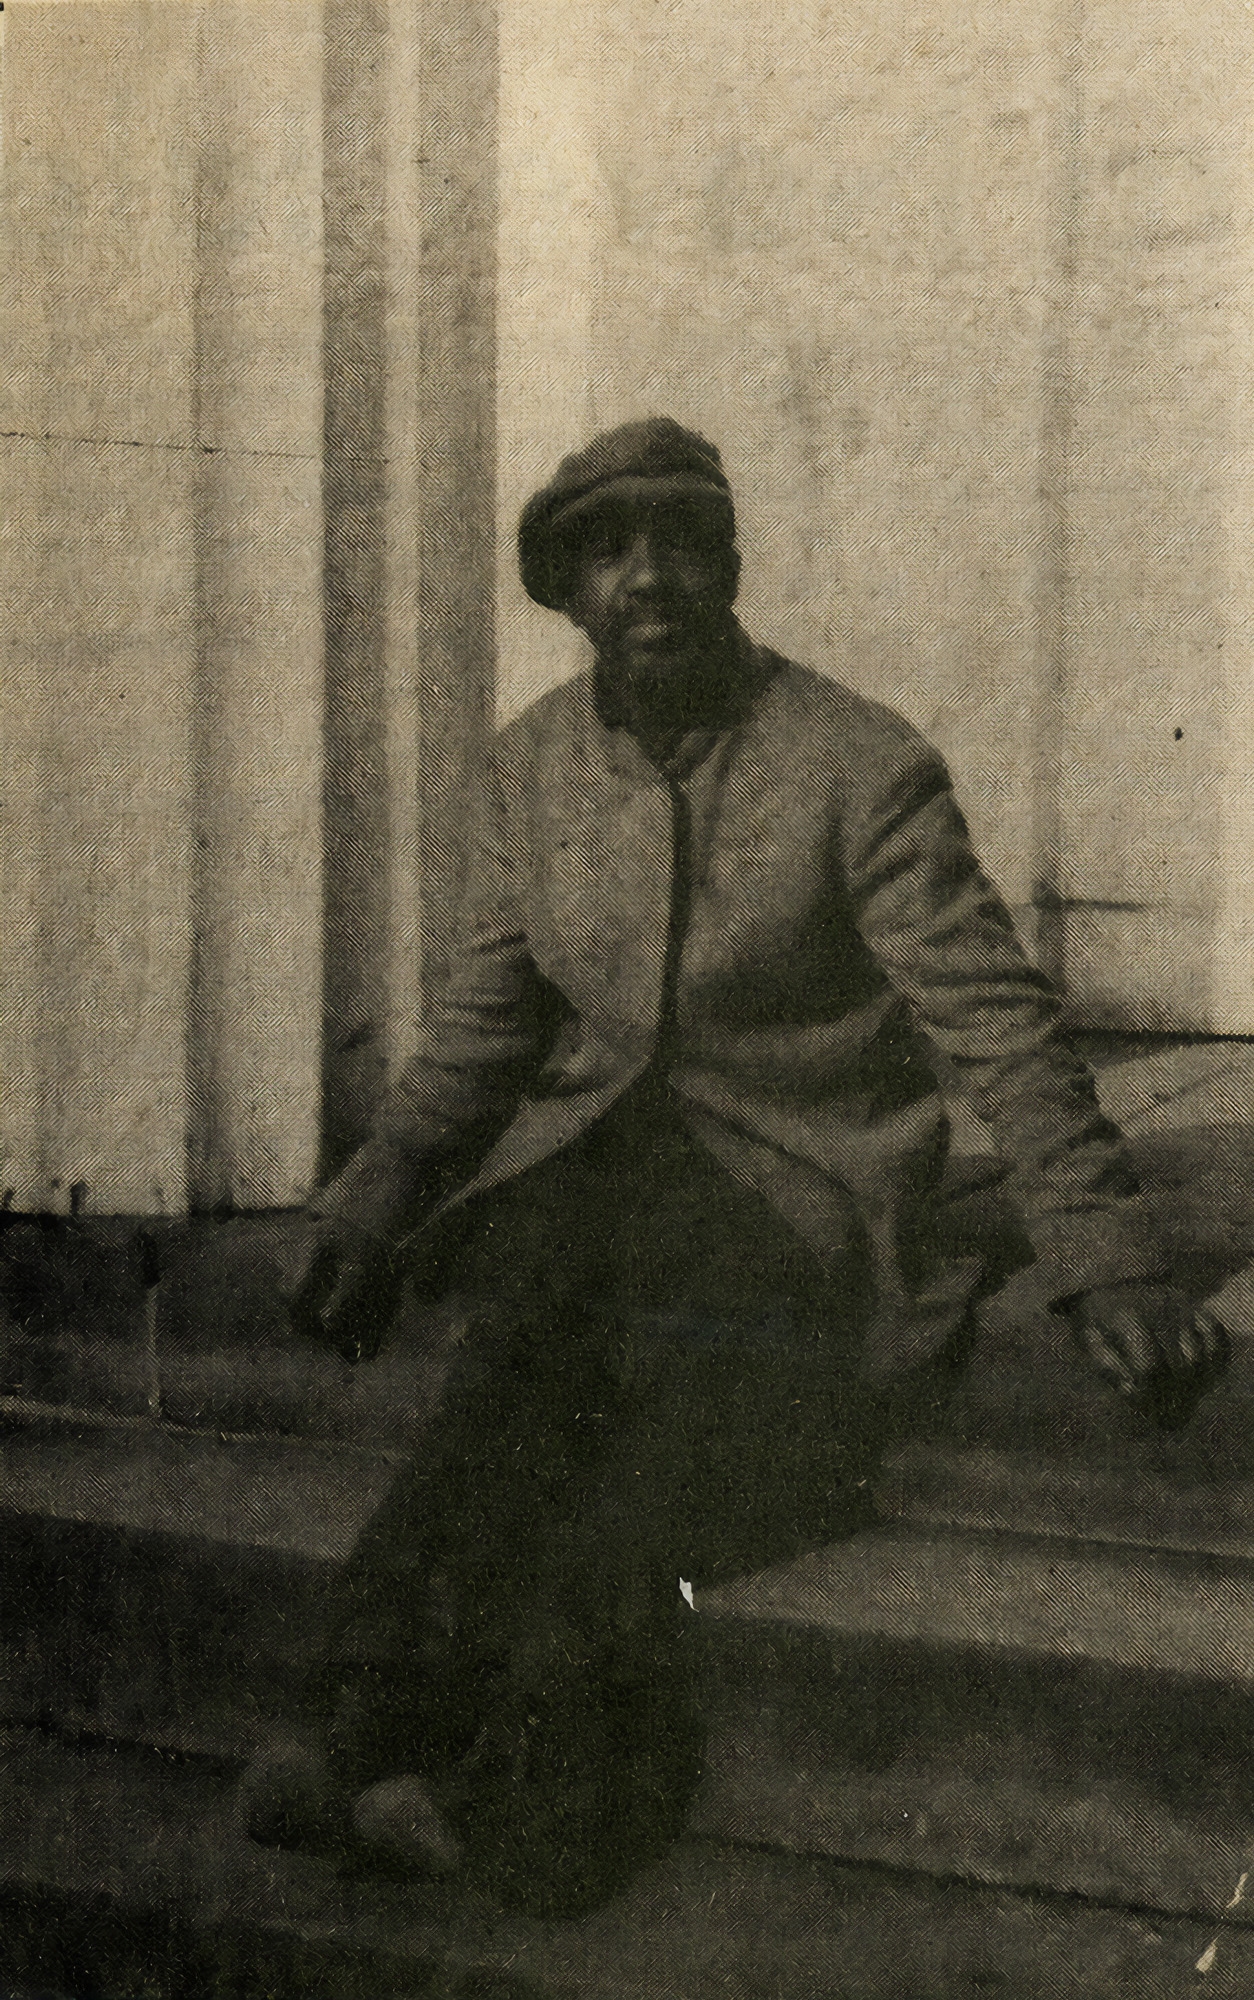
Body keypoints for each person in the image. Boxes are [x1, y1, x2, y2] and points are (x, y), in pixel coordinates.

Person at [242, 417, 1227, 1917]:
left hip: (791, 1194)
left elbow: (996, 1027)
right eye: (606, 549)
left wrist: (1107, 1255)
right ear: (562, 588)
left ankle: (515, 1816)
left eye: (678, 540)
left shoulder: (857, 764)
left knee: (633, 1486)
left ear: (729, 563)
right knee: (501, 1398)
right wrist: (376, 1199)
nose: (647, 578)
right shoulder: (528, 774)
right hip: (593, 1184)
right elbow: (482, 1032)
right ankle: (348, 1725)